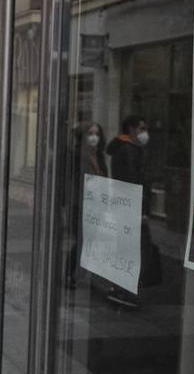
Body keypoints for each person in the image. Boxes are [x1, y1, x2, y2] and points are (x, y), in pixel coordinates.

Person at [104, 114, 160, 307]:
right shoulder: (128, 150)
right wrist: (141, 211)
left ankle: (119, 287)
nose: (145, 133)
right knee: (137, 250)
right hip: (131, 208)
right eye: (142, 128)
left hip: (125, 207)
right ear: (131, 129)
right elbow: (133, 181)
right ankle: (126, 290)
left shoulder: (124, 148)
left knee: (126, 248)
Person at [67, 122, 107, 288]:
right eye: (90, 133)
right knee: (81, 240)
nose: (94, 137)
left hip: (96, 204)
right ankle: (71, 273)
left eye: (97, 134)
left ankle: (80, 273)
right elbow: (71, 181)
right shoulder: (75, 156)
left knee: (90, 240)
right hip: (80, 203)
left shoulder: (99, 156)